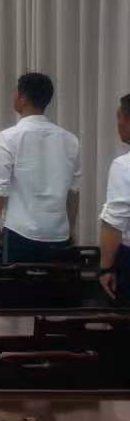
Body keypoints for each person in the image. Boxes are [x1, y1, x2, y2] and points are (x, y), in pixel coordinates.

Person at [0, 72, 81, 263]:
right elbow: (73, 192)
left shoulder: (8, 137)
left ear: (22, 98)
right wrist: (71, 227)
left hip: (19, 232)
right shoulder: (70, 140)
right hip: (58, 233)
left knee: (16, 283)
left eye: (16, 91)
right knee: (56, 283)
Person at [98, 94, 130, 305]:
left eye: (120, 117)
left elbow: (114, 223)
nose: (118, 124)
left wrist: (105, 267)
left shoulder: (124, 166)